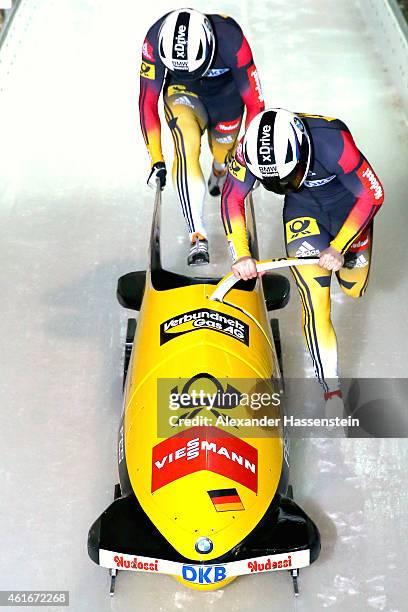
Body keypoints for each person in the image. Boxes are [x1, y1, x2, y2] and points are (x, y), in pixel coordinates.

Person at [221, 108, 384, 414]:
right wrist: (240, 253)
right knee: (314, 302)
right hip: (303, 213)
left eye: (289, 177)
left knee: (353, 288)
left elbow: (373, 195)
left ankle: (349, 251)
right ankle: (331, 389)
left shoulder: (334, 143)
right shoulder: (246, 150)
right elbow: (232, 199)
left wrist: (339, 246)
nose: (285, 185)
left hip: (351, 211)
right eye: (274, 184)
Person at [139, 8, 265, 265]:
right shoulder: (154, 41)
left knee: (225, 154)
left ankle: (219, 170)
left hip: (227, 100)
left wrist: (250, 157)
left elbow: (255, 104)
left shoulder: (231, 39)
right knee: (186, 146)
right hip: (182, 92)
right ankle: (197, 234)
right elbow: (147, 101)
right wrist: (156, 158)